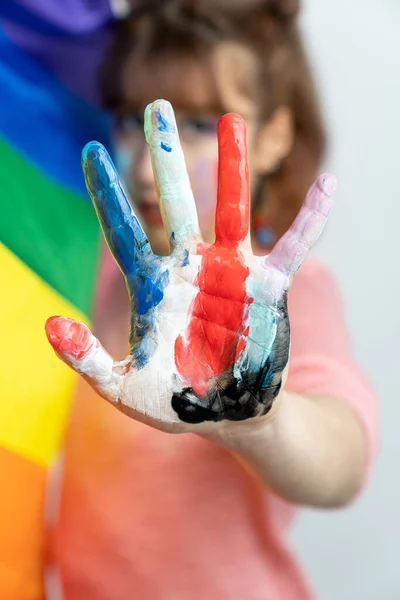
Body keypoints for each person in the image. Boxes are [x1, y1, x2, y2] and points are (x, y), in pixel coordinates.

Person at [42, 2, 379, 599]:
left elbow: (343, 461)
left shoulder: (280, 299)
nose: (148, 167)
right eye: (131, 121)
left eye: (198, 125)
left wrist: (254, 414)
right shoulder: (102, 267)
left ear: (274, 137)